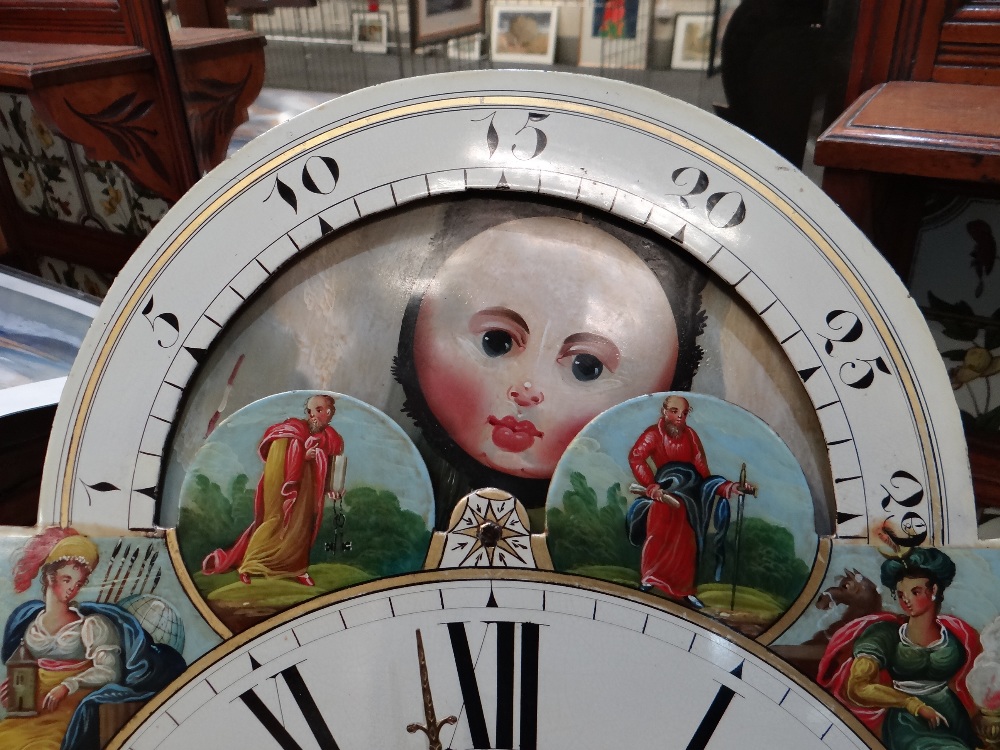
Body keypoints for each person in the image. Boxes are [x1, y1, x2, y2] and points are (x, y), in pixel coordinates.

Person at [395, 196, 708, 529]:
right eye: (496, 342)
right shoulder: (400, 475)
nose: (526, 390)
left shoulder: (607, 513)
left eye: (586, 367)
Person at [0, 528, 185, 750]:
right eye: (67, 579)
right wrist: (15, 689)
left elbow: (110, 671)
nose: (72, 589)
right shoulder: (29, 625)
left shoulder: (92, 625)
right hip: (35, 708)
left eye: (78, 583)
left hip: (72, 709)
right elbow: (24, 669)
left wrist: (69, 684)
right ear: (50, 577)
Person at [817, 548, 980, 749]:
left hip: (954, 717)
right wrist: (913, 705)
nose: (906, 600)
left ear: (934, 590)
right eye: (901, 594)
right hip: (908, 721)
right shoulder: (885, 634)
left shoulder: (954, 637)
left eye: (915, 592)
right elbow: (857, 687)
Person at [202, 394, 345, 586]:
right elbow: (278, 458)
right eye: (311, 411)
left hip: (308, 494)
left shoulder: (332, 439)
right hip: (284, 491)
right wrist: (303, 455)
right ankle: (248, 566)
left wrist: (333, 488)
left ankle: (298, 571)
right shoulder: (293, 429)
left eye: (320, 411)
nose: (314, 415)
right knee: (274, 522)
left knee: (301, 530)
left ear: (330, 413)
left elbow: (331, 468)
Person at [627, 395, 754, 608]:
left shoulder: (690, 436)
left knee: (687, 546)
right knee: (657, 538)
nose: (680, 417)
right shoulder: (653, 434)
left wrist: (725, 487)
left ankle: (684, 591)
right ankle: (649, 580)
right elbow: (636, 458)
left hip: (690, 502)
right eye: (675, 412)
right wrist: (651, 485)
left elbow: (702, 472)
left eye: (684, 413)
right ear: (664, 411)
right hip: (665, 497)